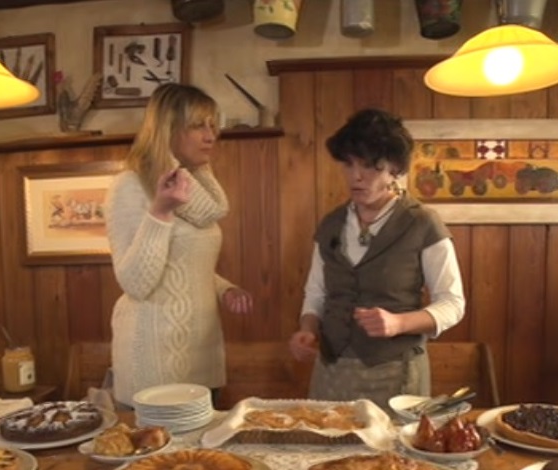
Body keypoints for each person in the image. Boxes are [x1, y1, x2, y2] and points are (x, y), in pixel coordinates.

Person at [287, 109, 466, 410]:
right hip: (332, 371)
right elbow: (316, 294)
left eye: (370, 166)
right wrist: (307, 329)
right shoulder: (331, 224)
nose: (356, 176)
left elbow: (453, 303)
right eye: (349, 164)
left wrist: (399, 323)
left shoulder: (423, 224)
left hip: (396, 371)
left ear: (394, 168)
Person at [105, 83, 252, 407]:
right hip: (154, 363)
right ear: (168, 128)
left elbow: (184, 267)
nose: (211, 136)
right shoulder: (130, 185)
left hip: (202, 357)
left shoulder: (197, 190)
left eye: (213, 125)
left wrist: (224, 288)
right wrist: (160, 212)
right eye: (198, 126)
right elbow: (135, 283)